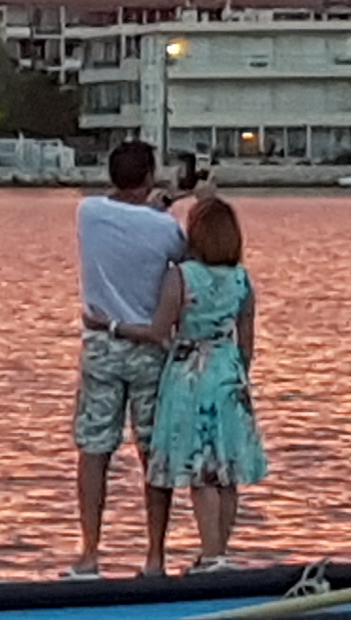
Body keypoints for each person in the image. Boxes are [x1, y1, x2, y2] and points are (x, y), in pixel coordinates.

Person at [72, 139, 188, 577]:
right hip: (149, 347)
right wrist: (164, 207)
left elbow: (119, 211)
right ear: (150, 176)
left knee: (94, 450)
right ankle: (155, 555)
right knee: (152, 453)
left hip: (101, 341)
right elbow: (185, 259)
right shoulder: (164, 228)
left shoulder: (88, 213)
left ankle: (89, 552)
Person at [146, 196, 268, 571]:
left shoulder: (181, 276)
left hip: (190, 372)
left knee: (202, 470)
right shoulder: (241, 279)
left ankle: (211, 555)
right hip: (227, 369)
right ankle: (220, 551)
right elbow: (246, 340)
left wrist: (113, 326)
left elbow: (160, 329)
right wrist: (238, 374)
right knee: (227, 470)